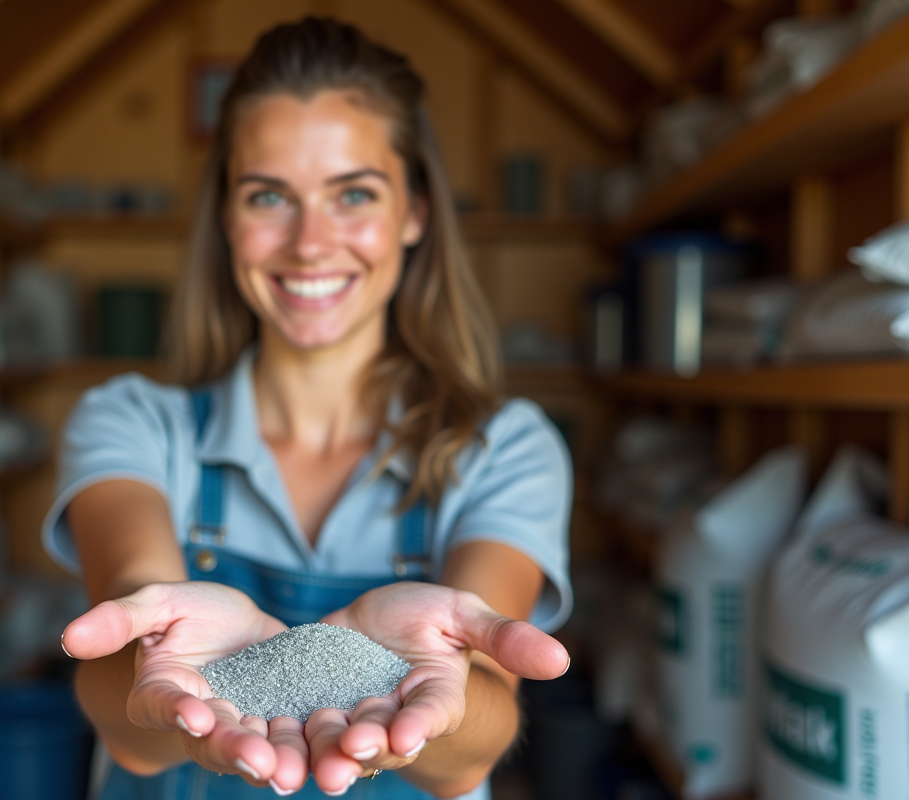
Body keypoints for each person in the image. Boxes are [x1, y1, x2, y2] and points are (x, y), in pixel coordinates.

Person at [45, 16, 573, 800]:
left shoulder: (504, 446)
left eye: (353, 193)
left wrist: (446, 705)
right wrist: (160, 681)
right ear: (226, 218)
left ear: (415, 213)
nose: (310, 243)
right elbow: (130, 727)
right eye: (269, 197)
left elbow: (475, 748)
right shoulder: (131, 424)